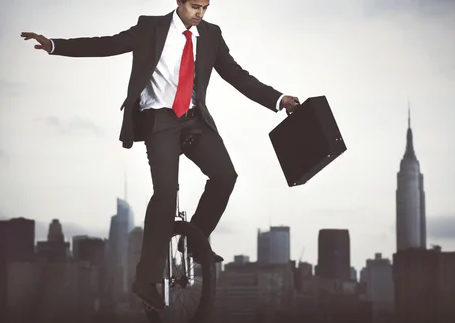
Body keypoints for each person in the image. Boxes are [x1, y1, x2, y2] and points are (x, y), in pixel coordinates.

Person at [21, 0, 300, 309]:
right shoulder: (150, 28)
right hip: (159, 120)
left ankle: (194, 241)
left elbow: (236, 75)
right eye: (195, 6)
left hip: (193, 119)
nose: (200, 14)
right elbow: (107, 45)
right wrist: (54, 45)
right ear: (179, 2)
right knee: (166, 193)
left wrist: (279, 99)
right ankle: (146, 278)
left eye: (205, 8)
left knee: (225, 176)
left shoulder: (210, 35)